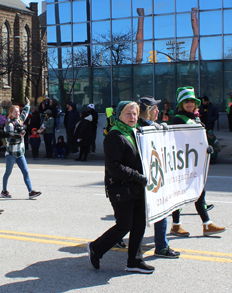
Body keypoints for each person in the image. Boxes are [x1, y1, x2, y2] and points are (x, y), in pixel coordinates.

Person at [87, 101, 155, 274]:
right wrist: (138, 177)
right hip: (121, 188)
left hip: (137, 185)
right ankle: (96, 248)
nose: (132, 117)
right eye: (128, 114)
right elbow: (114, 167)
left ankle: (134, 261)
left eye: (135, 114)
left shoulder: (136, 132)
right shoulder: (114, 136)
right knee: (124, 225)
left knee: (139, 224)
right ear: (119, 115)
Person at [169, 87, 226, 237]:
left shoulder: (194, 117)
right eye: (186, 101)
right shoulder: (178, 119)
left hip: (195, 162)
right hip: (183, 164)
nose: (190, 104)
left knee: (200, 192)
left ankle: (207, 224)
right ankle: (176, 225)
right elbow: (176, 142)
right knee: (180, 195)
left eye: (192, 101)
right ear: (181, 104)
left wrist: (207, 147)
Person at [137, 96, 180, 258]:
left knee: (159, 210)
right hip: (146, 178)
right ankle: (160, 246)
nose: (158, 111)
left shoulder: (154, 126)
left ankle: (161, 245)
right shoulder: (140, 129)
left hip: (156, 176)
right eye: (154, 108)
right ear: (147, 112)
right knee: (139, 214)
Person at [0, 97, 42, 199]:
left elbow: (25, 114)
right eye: (15, 112)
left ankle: (31, 191)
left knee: (26, 172)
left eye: (18, 111)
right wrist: (20, 135)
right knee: (8, 173)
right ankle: (4, 191)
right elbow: (10, 139)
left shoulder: (19, 120)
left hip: (20, 153)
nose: (17, 113)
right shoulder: (10, 124)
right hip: (11, 153)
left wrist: (28, 104)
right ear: (10, 113)